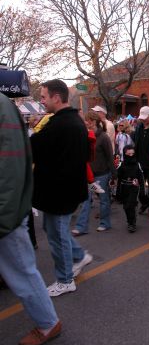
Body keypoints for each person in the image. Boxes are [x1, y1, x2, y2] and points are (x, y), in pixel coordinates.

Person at [0, 91, 61, 345]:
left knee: (22, 270)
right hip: (9, 211)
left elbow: (10, 169)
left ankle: (47, 322)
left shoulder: (2, 107)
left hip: (6, 215)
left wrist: (5, 217)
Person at [31, 79, 93, 297]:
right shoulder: (71, 121)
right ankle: (79, 256)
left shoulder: (61, 124)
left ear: (56, 97)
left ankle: (65, 279)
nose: (41, 100)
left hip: (58, 193)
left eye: (43, 96)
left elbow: (35, 147)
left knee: (57, 235)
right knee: (53, 231)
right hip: (63, 191)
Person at [73, 112, 116, 233]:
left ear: (95, 122)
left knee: (103, 200)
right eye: (86, 121)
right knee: (85, 201)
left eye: (89, 121)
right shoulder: (85, 135)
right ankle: (81, 227)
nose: (87, 123)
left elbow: (110, 157)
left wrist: (114, 175)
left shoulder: (103, 137)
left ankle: (105, 223)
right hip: (88, 174)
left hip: (102, 174)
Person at [116, 145, 145, 232]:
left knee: (130, 205)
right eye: (129, 154)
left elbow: (141, 177)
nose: (131, 156)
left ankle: (132, 224)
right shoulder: (121, 164)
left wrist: (142, 189)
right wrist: (117, 190)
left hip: (134, 187)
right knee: (126, 206)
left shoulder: (137, 164)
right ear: (125, 154)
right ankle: (130, 221)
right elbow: (118, 177)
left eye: (133, 153)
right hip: (124, 187)